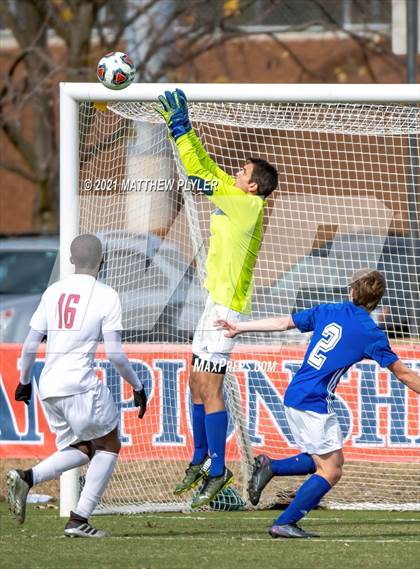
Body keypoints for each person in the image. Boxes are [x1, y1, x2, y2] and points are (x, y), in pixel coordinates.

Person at [216, 268, 420, 538]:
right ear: (376, 302)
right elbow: (403, 373)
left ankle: (271, 467)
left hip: (297, 394)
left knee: (323, 461)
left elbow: (281, 323)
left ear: (351, 292)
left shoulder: (328, 310)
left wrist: (239, 327)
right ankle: (284, 522)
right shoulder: (371, 333)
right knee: (332, 470)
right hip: (313, 400)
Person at [155, 89, 278, 508]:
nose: (235, 174)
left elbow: (200, 177)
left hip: (226, 310)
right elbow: (203, 166)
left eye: (241, 172)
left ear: (253, 186)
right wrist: (182, 133)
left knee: (211, 386)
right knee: (194, 381)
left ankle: (219, 467)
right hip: (213, 303)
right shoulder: (237, 196)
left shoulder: (250, 207)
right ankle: (200, 459)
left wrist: (182, 129)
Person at [7, 234, 147, 538]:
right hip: (79, 383)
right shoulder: (107, 294)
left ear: (70, 260)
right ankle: (79, 519)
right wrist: (137, 385)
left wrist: (23, 381)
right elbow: (115, 355)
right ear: (103, 261)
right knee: (110, 444)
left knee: (83, 447)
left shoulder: (53, 291)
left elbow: (31, 344)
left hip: (49, 385)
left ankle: (27, 476)